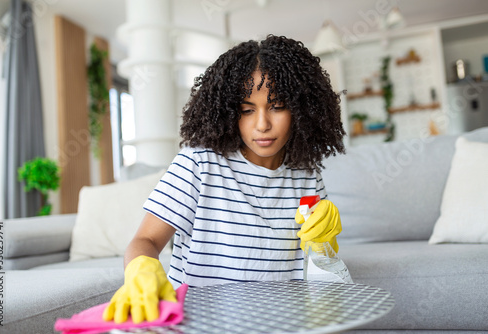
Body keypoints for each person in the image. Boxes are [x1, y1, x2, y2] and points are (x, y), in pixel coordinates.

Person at [103, 34, 346, 324]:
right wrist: (141, 270)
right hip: (199, 323)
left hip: (281, 323)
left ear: (301, 108)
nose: (262, 124)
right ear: (229, 111)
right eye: (247, 110)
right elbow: (145, 240)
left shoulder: (306, 173)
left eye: (277, 106)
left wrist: (326, 240)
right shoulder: (199, 163)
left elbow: (319, 259)